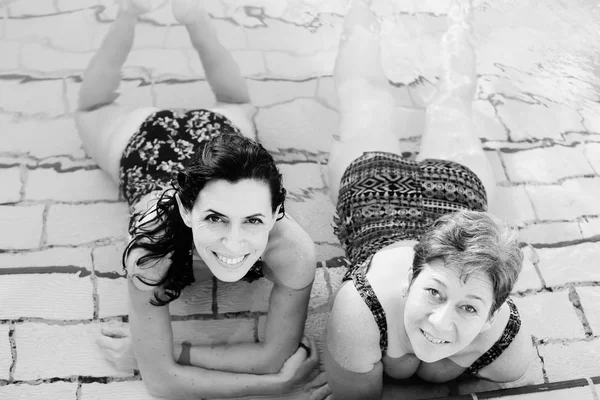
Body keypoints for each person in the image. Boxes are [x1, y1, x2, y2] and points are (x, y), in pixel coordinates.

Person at [75, 0, 330, 398]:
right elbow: (162, 384)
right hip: (144, 145)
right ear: (185, 209)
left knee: (235, 105)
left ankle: (192, 15)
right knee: (91, 110)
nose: (233, 242)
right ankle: (132, 11)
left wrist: (164, 352)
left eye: (253, 220)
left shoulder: (294, 250)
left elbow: (273, 355)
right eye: (215, 218)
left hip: (219, 136)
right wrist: (274, 384)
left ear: (277, 212)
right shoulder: (150, 246)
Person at [322, 1, 533, 399]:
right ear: (408, 281)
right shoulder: (361, 309)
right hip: (386, 196)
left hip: (417, 201)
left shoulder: (508, 355)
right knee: (438, 103)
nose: (438, 323)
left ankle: (454, 14)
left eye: (469, 307)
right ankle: (441, 13)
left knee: (377, 98)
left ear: (491, 318)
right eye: (433, 291)